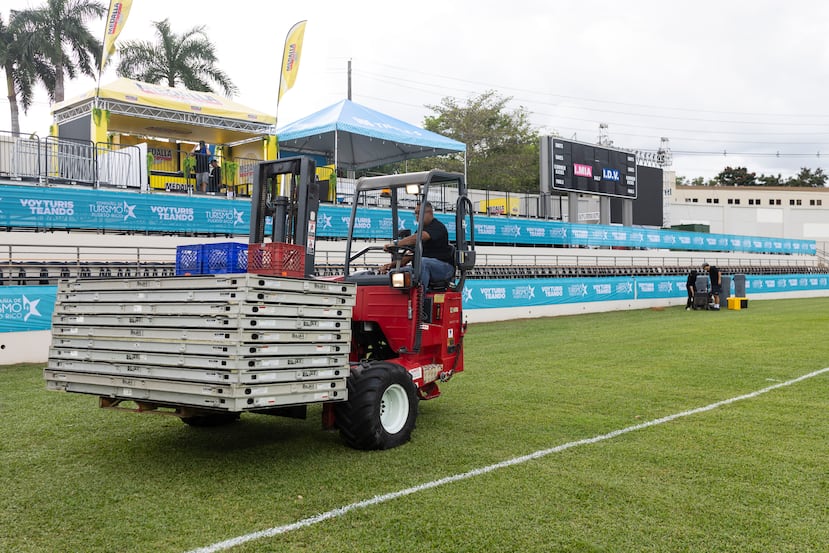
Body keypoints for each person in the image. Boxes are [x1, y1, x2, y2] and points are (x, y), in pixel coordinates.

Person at [381, 201, 455, 290]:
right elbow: (409, 255)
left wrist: (396, 243)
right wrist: (390, 266)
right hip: (424, 266)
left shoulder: (437, 227)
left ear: (430, 213)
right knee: (396, 273)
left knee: (422, 263)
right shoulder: (419, 232)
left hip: (444, 268)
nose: (417, 216)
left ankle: (420, 295)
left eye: (419, 213)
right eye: (415, 213)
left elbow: (420, 237)